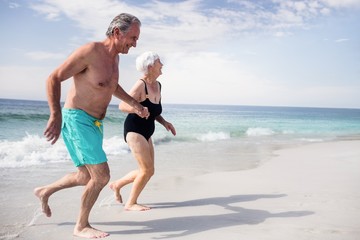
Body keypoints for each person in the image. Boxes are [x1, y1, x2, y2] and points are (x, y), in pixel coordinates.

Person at [33, 13, 149, 239]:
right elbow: (53, 78)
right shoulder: (90, 52)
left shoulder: (115, 57)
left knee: (85, 177)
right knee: (102, 176)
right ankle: (81, 226)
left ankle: (44, 191)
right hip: (77, 118)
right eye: (133, 38)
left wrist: (135, 104)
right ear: (117, 32)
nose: (135, 44)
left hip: (95, 123)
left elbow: (111, 85)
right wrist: (55, 114)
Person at [109, 51, 176, 211]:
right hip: (134, 130)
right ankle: (130, 203)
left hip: (147, 131)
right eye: (160, 62)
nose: (162, 65)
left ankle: (117, 185)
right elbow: (122, 105)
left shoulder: (158, 85)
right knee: (146, 170)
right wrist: (138, 110)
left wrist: (164, 122)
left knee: (148, 171)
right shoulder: (141, 85)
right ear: (151, 66)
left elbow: (154, 111)